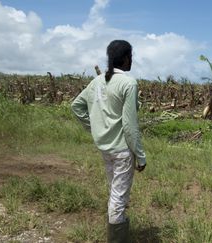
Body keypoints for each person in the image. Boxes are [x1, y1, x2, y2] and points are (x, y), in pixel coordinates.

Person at [71, 40, 146, 243]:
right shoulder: (128, 83)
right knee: (118, 198)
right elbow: (130, 126)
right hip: (122, 150)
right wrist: (140, 156)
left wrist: (94, 127)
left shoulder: (97, 82)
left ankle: (117, 227)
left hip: (105, 148)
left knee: (115, 191)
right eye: (131, 56)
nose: (132, 60)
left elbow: (76, 107)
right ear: (125, 58)